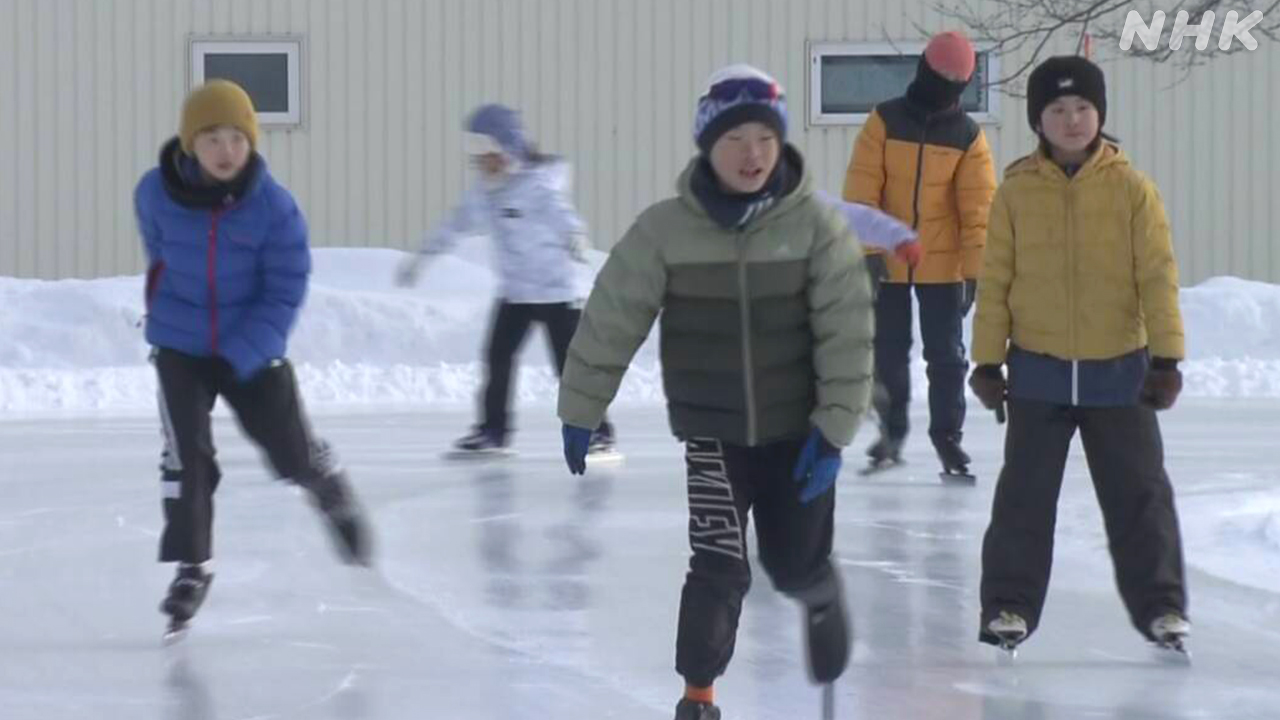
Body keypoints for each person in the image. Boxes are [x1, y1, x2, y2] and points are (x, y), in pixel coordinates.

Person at [556, 65, 875, 720]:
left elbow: (848, 334)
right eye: (735, 139)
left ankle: (818, 592)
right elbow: (612, 317)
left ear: (780, 143)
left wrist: (835, 428)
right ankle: (698, 696)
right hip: (713, 434)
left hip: (800, 433)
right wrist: (582, 406)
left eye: (764, 137)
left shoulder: (817, 229)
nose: (751, 153)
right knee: (717, 564)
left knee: (790, 563)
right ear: (708, 146)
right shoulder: (664, 232)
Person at [968, 56, 1190, 652]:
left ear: (1101, 116)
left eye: (1083, 109)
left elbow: (1158, 278)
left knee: (1140, 496)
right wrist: (986, 361)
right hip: (1038, 373)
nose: (1072, 120)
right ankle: (1008, 608)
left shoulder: (1132, 190)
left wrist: (1167, 360)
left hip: (1120, 372)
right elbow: (996, 283)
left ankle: (1162, 608)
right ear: (1038, 120)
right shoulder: (1016, 191)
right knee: (1023, 499)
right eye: (1058, 110)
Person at [135, 80, 371, 636]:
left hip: (251, 346)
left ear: (252, 142)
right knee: (184, 458)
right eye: (212, 138)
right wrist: (168, 324)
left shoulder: (274, 207)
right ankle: (193, 566)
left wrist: (248, 348)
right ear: (191, 143)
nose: (226, 150)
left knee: (288, 454)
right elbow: (158, 254)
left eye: (237, 137)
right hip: (180, 345)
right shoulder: (154, 193)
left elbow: (286, 286)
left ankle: (324, 478)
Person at [396, 104, 614, 457]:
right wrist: (423, 257)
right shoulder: (485, 192)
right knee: (497, 357)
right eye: (479, 157)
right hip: (516, 293)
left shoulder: (538, 186)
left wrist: (576, 237)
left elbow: (563, 216)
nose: (484, 164)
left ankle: (597, 432)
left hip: (557, 292)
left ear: (509, 150)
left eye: (490, 154)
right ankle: (493, 432)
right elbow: (455, 224)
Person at [843, 30, 997, 474]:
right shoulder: (884, 122)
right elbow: (861, 191)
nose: (944, 84)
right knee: (888, 351)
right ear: (923, 70)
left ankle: (948, 437)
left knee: (946, 356)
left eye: (955, 78)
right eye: (939, 74)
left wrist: (975, 271)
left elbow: (978, 211)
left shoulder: (968, 137)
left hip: (943, 265)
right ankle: (891, 434)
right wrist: (870, 249)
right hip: (889, 259)